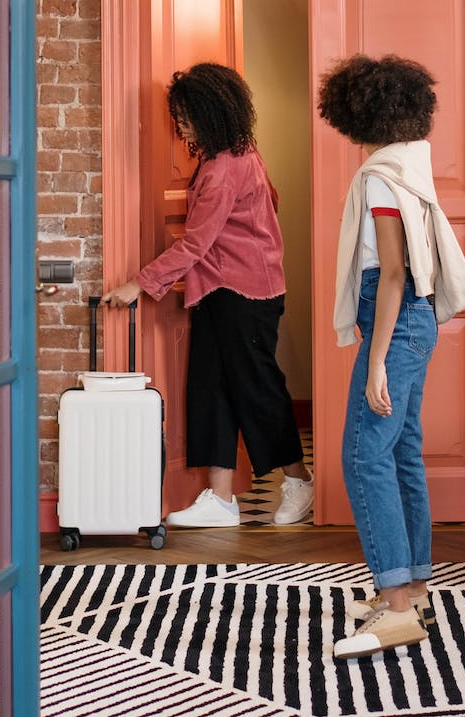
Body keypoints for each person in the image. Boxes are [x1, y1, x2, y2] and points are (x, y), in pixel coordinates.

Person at [316, 54, 465, 661]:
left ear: (360, 112)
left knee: (362, 454)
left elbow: (392, 275)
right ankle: (412, 584)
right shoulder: (412, 162)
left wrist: (377, 359)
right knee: (401, 450)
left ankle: (397, 609)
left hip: (399, 318)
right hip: (418, 322)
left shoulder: (382, 176)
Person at [102, 62, 314, 528]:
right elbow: (269, 202)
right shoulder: (235, 156)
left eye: (185, 115)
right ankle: (219, 499)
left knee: (258, 391)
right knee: (211, 389)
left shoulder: (224, 169)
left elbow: (196, 242)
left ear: (211, 112)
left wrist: (140, 282)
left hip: (246, 293)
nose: (180, 125)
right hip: (220, 290)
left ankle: (300, 481)